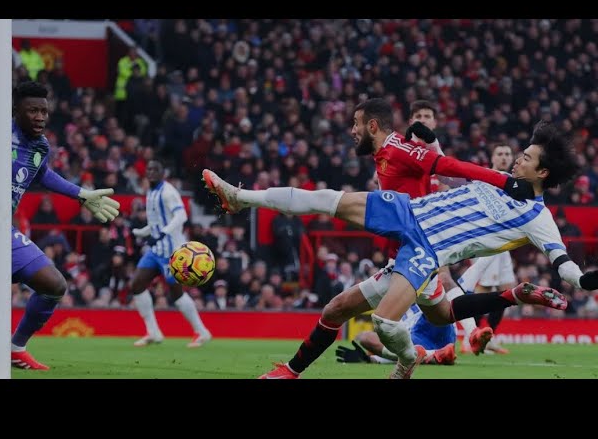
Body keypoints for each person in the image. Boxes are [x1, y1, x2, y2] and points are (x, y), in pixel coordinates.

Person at [203, 104, 595, 380]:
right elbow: (451, 170)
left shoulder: (539, 218)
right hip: (408, 212)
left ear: (542, 171)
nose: (516, 162)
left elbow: (565, 266)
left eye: (526, 158)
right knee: (327, 200)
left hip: (427, 253)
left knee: (380, 321)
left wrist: (585, 281)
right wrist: (433, 141)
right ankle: (240, 198)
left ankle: (407, 359)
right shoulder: (496, 178)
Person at [0, 81, 120, 370]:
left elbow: (42, 174)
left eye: (44, 111)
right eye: (32, 110)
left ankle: (15, 348)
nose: (40, 117)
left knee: (54, 284)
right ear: (16, 110)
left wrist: (80, 194)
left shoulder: (41, 146)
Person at [341, 141, 517, 364]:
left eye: (427, 116)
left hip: (426, 244)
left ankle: (460, 341)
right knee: (452, 285)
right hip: (435, 328)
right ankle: (453, 345)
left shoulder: (431, 171)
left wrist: (373, 358)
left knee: (373, 333)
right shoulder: (412, 168)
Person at [131, 160, 212, 348]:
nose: (151, 172)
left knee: (176, 294)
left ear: (162, 173)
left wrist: (162, 233)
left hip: (173, 252)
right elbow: (157, 221)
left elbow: (181, 216)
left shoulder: (168, 192)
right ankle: (153, 332)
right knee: (136, 284)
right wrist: (143, 231)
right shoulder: (151, 191)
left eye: (155, 169)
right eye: (148, 169)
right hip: (156, 250)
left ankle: (201, 331)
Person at [457, 144, 516, 354]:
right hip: (487, 242)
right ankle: (468, 337)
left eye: (507, 153)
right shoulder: (486, 179)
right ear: (492, 157)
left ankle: (490, 336)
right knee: (483, 290)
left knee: (507, 289)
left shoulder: (513, 182)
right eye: (499, 153)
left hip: (505, 244)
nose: (503, 157)